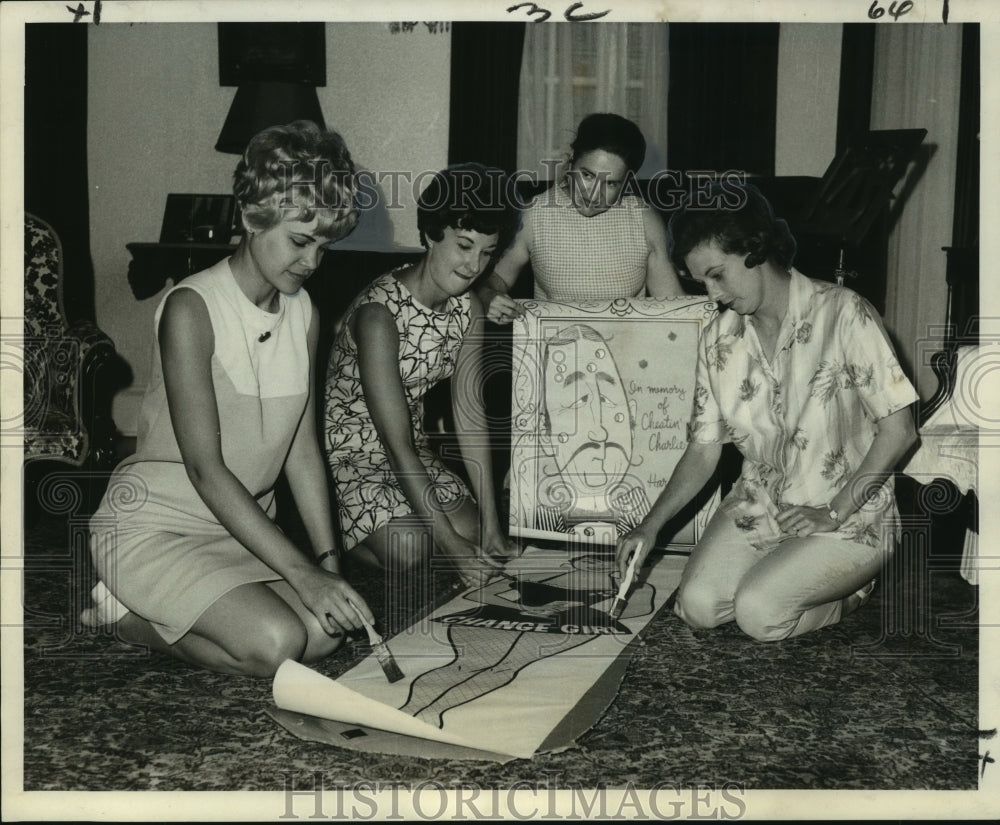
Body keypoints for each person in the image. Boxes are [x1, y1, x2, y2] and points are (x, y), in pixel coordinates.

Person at [83, 121, 374, 677]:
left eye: (324, 246)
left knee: (321, 637)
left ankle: (187, 611)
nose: (312, 262)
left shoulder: (305, 312)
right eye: (299, 239)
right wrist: (302, 574)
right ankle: (124, 614)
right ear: (249, 216)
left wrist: (328, 563)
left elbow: (302, 451)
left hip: (238, 531)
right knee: (277, 642)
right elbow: (205, 468)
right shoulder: (191, 307)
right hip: (156, 527)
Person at [615, 183, 919, 642]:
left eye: (717, 274)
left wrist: (834, 513)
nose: (713, 294)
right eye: (702, 282)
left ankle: (853, 590)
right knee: (698, 607)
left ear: (754, 248)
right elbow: (703, 450)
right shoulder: (719, 339)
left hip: (849, 512)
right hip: (761, 503)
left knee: (758, 614)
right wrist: (649, 527)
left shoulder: (845, 314)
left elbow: (900, 432)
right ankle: (783, 575)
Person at [324, 163, 520, 587]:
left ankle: (432, 529)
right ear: (431, 235)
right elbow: (393, 447)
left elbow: (470, 416)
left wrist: (491, 525)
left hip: (412, 450)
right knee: (412, 549)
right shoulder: (379, 315)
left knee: (471, 533)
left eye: (488, 253)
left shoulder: (469, 308)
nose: (475, 266)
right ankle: (333, 532)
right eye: (464, 245)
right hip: (351, 456)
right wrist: (451, 548)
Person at [477, 112, 684, 324]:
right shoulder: (533, 215)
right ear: (571, 162)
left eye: (610, 183)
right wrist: (488, 297)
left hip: (626, 350)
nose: (594, 194)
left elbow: (673, 307)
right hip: (556, 349)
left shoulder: (644, 220)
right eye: (587, 175)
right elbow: (495, 281)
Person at [529, 323, 650, 538]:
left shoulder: (651, 514)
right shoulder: (537, 521)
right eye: (577, 402)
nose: (600, 432)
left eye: (607, 399)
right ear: (545, 435)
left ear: (631, 418)